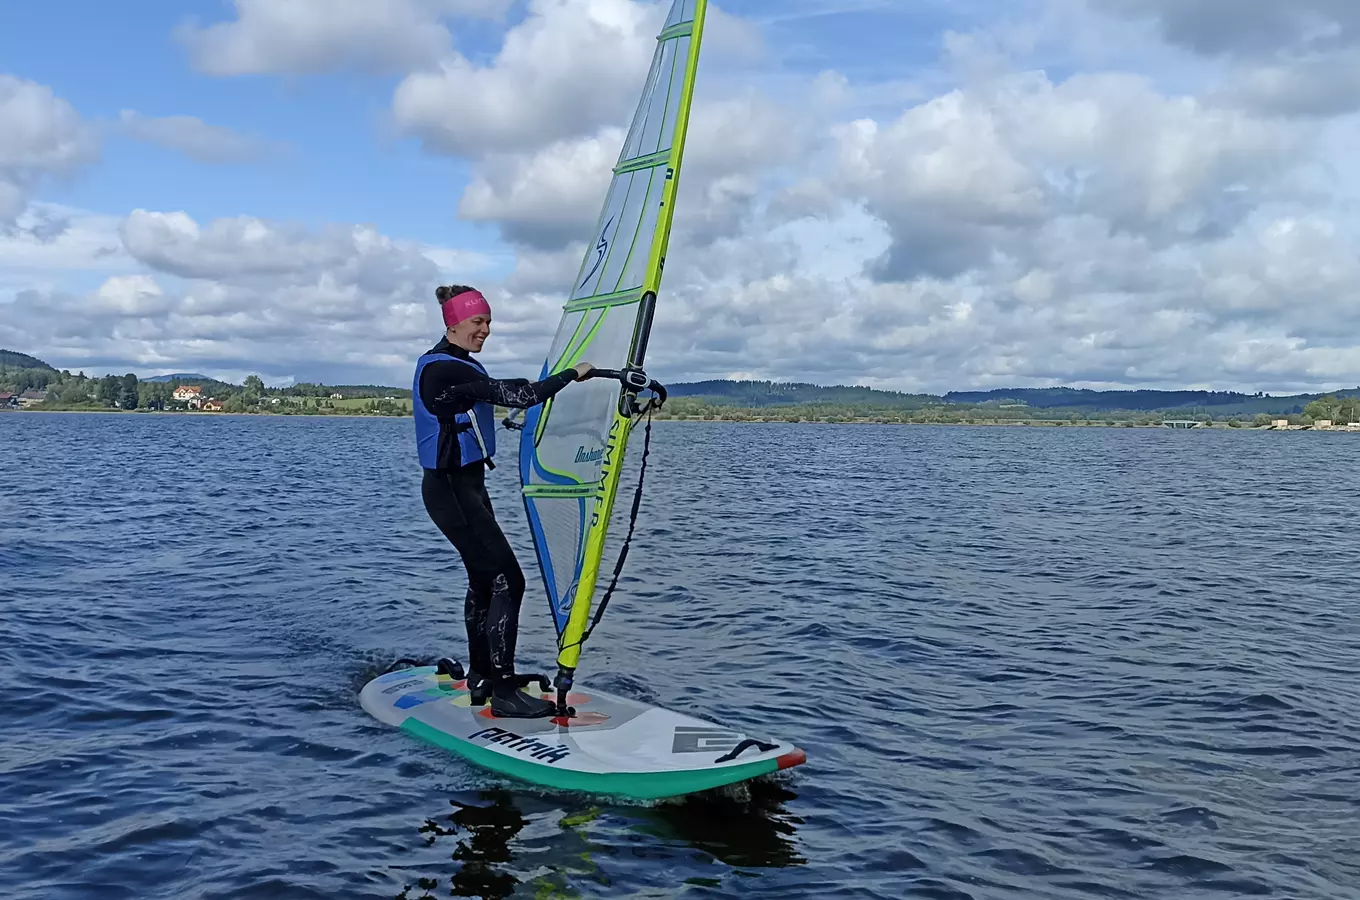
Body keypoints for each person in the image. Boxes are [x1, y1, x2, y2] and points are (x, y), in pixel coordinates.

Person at [414, 284, 593, 718]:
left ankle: (482, 677)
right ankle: (503, 690)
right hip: (452, 491)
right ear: (453, 324)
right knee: (507, 581)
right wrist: (573, 374)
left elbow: (502, 388)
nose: (486, 330)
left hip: (467, 489)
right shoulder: (442, 370)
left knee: (482, 581)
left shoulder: (457, 366)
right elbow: (520, 396)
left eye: (489, 322)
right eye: (478, 322)